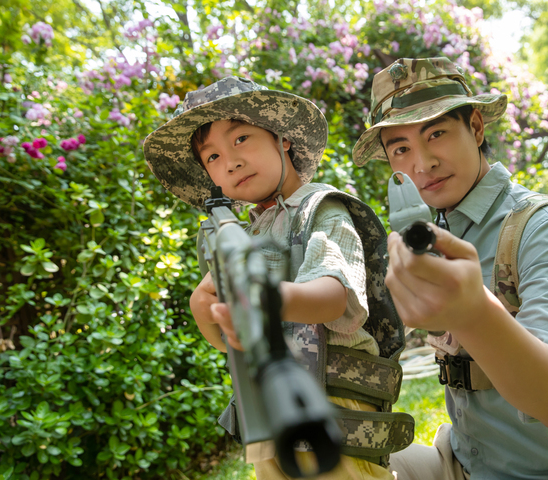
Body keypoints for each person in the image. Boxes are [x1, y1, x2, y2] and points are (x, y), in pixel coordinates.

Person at [352, 57, 548, 479]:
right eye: (401, 149)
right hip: (463, 463)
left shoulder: (543, 227)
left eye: (436, 134)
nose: (422, 163)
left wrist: (473, 313)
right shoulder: (429, 234)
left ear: (476, 128)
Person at [144, 76, 411, 480]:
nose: (230, 161)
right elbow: (233, 342)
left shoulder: (320, 209)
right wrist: (204, 309)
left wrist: (265, 295)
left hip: (334, 416)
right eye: (212, 156)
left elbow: (333, 296)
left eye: (241, 139)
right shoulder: (243, 235)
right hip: (270, 420)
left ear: (282, 138)